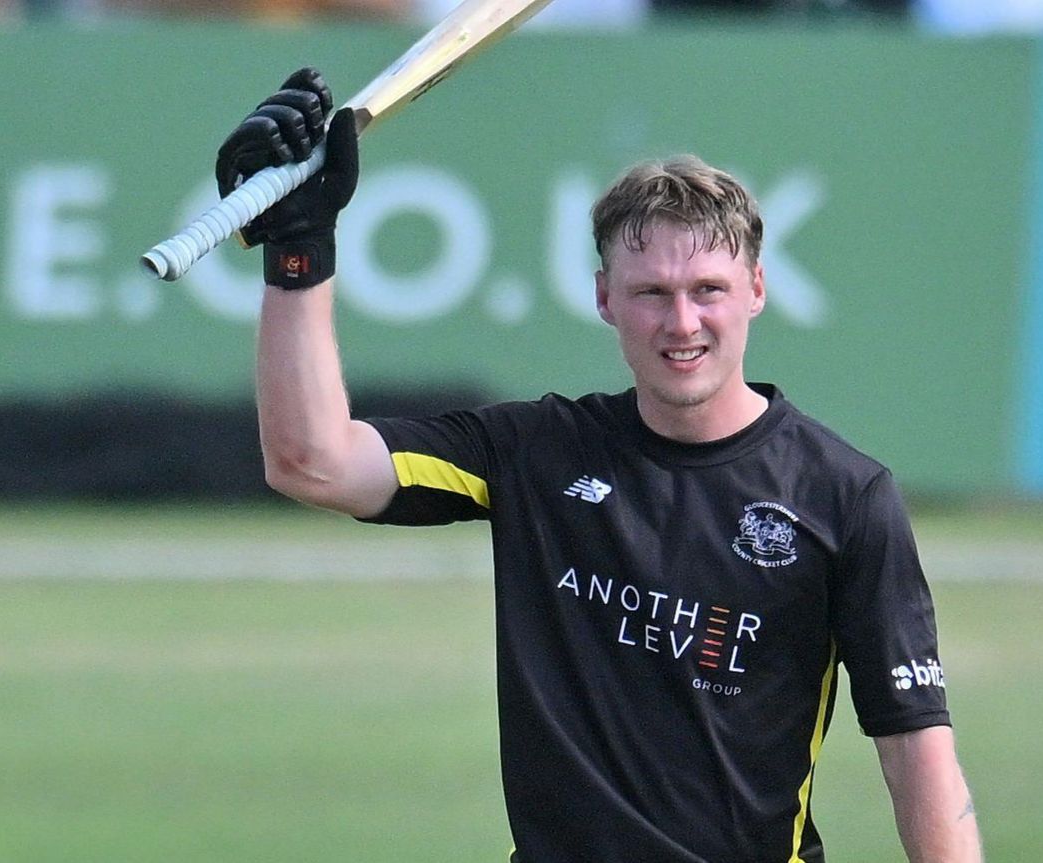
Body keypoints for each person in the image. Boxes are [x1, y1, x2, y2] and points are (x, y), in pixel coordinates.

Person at [216, 67, 983, 863]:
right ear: (604, 298)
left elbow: (915, 747)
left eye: (707, 289)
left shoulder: (846, 494)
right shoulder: (537, 452)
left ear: (756, 288)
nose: (681, 321)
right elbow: (311, 460)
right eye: (651, 291)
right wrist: (300, 253)